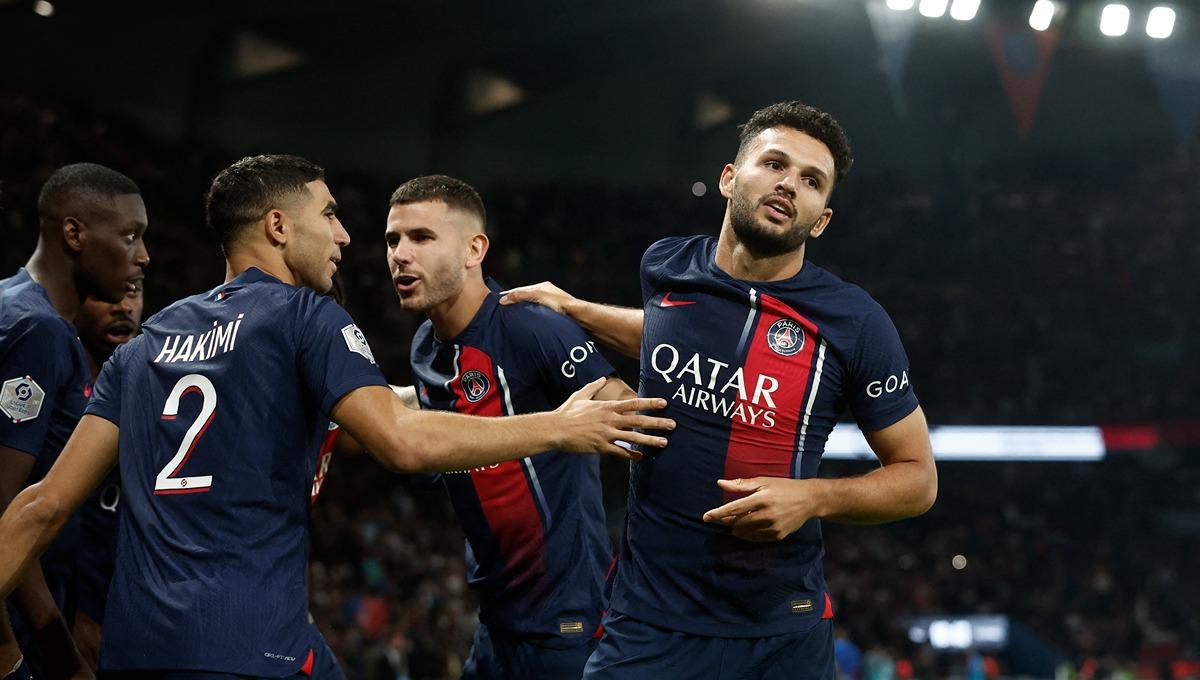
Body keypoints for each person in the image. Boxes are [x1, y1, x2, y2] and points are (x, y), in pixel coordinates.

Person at [0, 154, 672, 679]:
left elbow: (40, 508)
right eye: (330, 214)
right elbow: (401, 439)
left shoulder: (147, 342)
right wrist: (560, 426)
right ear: (278, 226)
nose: (347, 236)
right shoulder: (306, 317)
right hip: (251, 641)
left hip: (137, 646)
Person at [499, 101, 937, 679]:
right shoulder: (668, 265)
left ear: (821, 218)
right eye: (774, 163)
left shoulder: (855, 322)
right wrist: (578, 310)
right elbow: (669, 336)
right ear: (730, 178)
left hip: (780, 632)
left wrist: (814, 498)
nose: (789, 185)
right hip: (647, 624)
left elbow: (918, 479)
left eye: (811, 181)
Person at [387, 175, 633, 679]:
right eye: (393, 239)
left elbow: (632, 415)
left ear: (475, 249)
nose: (400, 255)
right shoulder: (424, 348)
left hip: (567, 621)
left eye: (422, 237)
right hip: (496, 619)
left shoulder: (530, 326)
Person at [0, 163, 149, 680]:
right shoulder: (39, 331)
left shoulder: (12, 303)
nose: (142, 256)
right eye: (130, 236)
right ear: (73, 233)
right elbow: (4, 507)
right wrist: (53, 654)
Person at [70, 275, 146, 670]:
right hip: (64, 614)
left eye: (133, 291)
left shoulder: (154, 383)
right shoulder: (62, 386)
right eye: (109, 294)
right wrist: (84, 612)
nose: (124, 306)